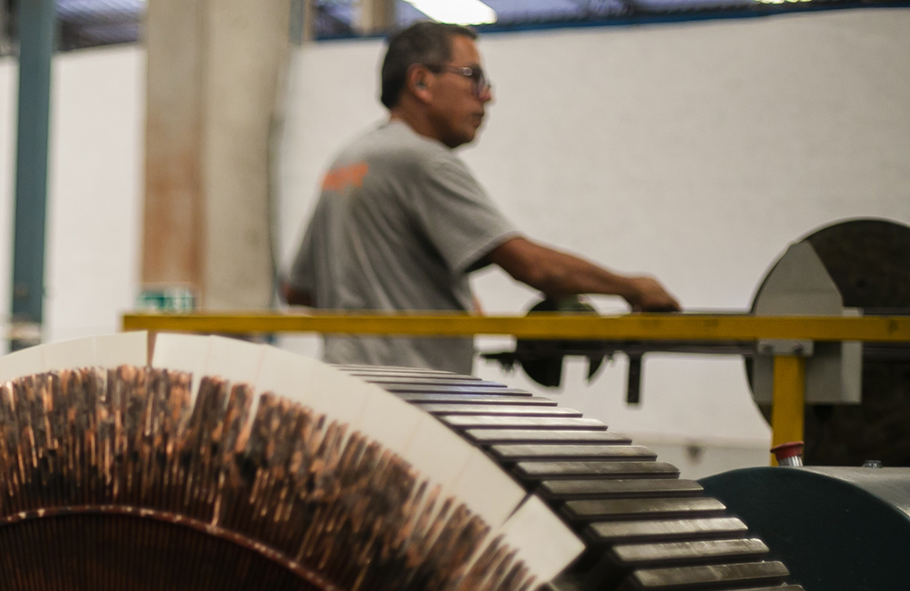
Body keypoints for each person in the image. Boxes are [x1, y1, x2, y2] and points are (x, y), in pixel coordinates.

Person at [285, 22, 680, 374]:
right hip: (411, 394)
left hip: (342, 388)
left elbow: (297, 289)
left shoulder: (348, 159)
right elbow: (532, 267)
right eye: (473, 77)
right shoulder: (422, 160)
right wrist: (633, 287)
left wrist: (415, 297)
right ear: (421, 82)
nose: (486, 96)